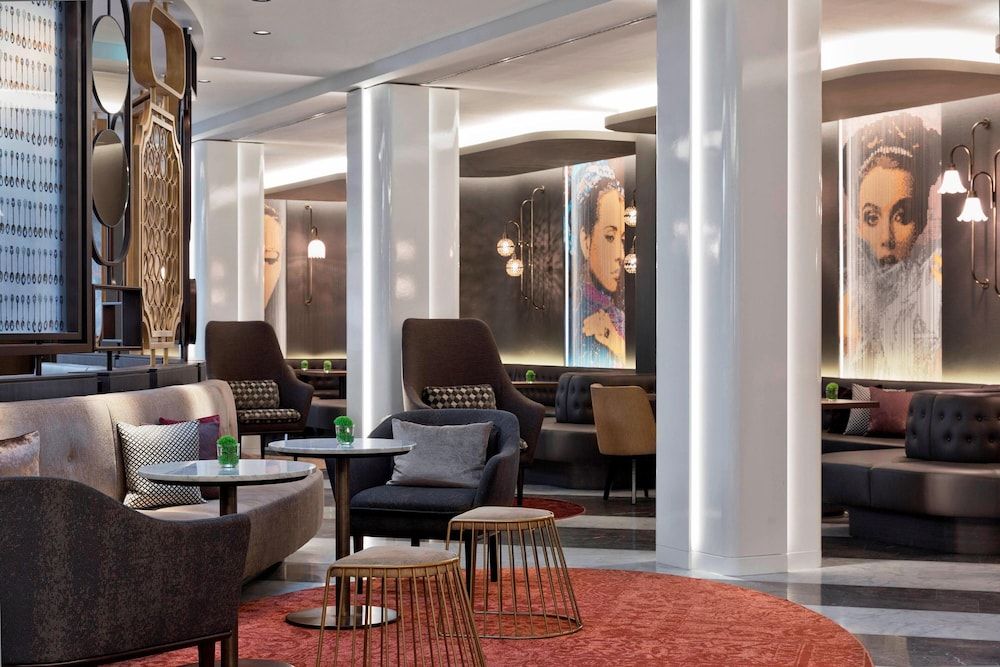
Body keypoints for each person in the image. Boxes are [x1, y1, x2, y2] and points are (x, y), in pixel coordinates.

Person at [841, 111, 942, 379]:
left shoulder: (933, 285)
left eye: (901, 216)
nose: (887, 237)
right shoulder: (849, 300)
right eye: (872, 217)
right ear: (858, 224)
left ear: (921, 220)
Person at [570, 162, 626, 367]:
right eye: (610, 237)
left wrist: (611, 336)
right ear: (585, 241)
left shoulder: (618, 318)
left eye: (622, 239)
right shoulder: (576, 316)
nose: (620, 255)